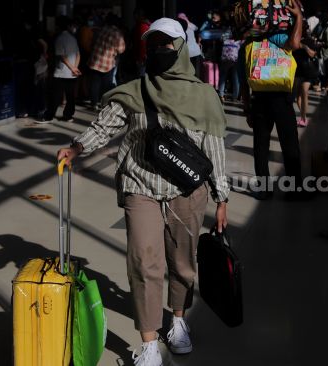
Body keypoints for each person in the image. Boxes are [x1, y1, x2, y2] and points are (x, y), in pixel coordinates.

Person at [57, 18, 229, 366]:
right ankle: (148, 342)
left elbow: (214, 146)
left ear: (182, 50)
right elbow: (106, 125)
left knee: (182, 264)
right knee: (143, 261)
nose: (159, 51)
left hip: (188, 190)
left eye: (167, 45)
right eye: (153, 45)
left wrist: (221, 195)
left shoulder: (204, 96)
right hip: (141, 186)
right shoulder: (136, 90)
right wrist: (77, 147)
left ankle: (177, 320)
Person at [243, 0, 307, 200]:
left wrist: (247, 109)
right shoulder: (278, 37)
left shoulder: (248, 45)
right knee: (289, 144)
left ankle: (265, 188)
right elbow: (295, 43)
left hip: (259, 100)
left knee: (260, 146)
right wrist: (298, 17)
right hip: (280, 99)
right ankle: (294, 189)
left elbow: (243, 80)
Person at [40, 17, 80, 123]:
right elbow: (78, 54)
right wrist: (75, 68)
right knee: (70, 96)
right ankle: (68, 116)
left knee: (55, 96)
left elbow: (62, 56)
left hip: (61, 73)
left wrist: (71, 68)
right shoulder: (73, 38)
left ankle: (49, 116)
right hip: (72, 73)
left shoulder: (59, 38)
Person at [87, 14, 126, 110]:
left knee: (94, 84)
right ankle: (104, 104)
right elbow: (121, 49)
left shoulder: (101, 29)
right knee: (106, 85)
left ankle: (93, 104)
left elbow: (93, 42)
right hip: (107, 63)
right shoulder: (117, 34)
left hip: (95, 60)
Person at [293, 27, 319, 127]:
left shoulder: (309, 41)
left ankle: (303, 118)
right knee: (298, 97)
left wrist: (304, 47)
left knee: (304, 91)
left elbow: (313, 54)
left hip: (308, 71)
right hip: (298, 71)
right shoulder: (293, 40)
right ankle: (304, 117)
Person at [177, 13, 203, 78]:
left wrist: (187, 22)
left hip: (193, 52)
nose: (184, 18)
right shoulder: (183, 27)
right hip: (190, 52)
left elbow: (196, 28)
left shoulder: (188, 25)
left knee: (194, 73)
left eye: (184, 16)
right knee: (192, 73)